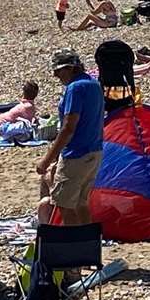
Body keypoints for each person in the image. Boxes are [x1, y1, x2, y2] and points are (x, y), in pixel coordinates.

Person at [36, 50, 103, 225]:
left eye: (59, 70)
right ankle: (89, 244)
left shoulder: (75, 88)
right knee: (81, 203)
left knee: (65, 206)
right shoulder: (94, 84)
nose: (55, 75)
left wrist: (47, 159)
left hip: (76, 154)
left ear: (70, 68)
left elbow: (68, 127)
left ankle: (74, 247)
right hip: (94, 152)